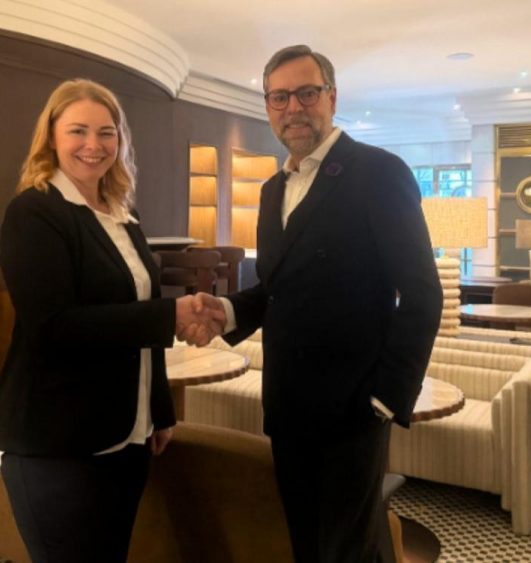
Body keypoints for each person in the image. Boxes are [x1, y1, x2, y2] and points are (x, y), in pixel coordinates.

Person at [193, 45, 443, 562]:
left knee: (348, 551)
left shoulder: (378, 172)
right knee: (305, 543)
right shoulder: (271, 190)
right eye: (279, 97)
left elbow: (422, 293)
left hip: (354, 409)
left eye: (306, 93)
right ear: (268, 106)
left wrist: (387, 398)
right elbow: (276, 287)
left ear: (331, 97)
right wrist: (227, 312)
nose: (293, 108)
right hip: (287, 404)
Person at [0, 78, 223, 562]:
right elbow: (54, 328)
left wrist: (159, 411)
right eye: (78, 131)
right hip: (55, 442)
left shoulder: (122, 213)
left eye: (106, 132)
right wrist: (170, 315)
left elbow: (141, 317)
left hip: (127, 435)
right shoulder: (33, 212)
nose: (93, 145)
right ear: (51, 136)